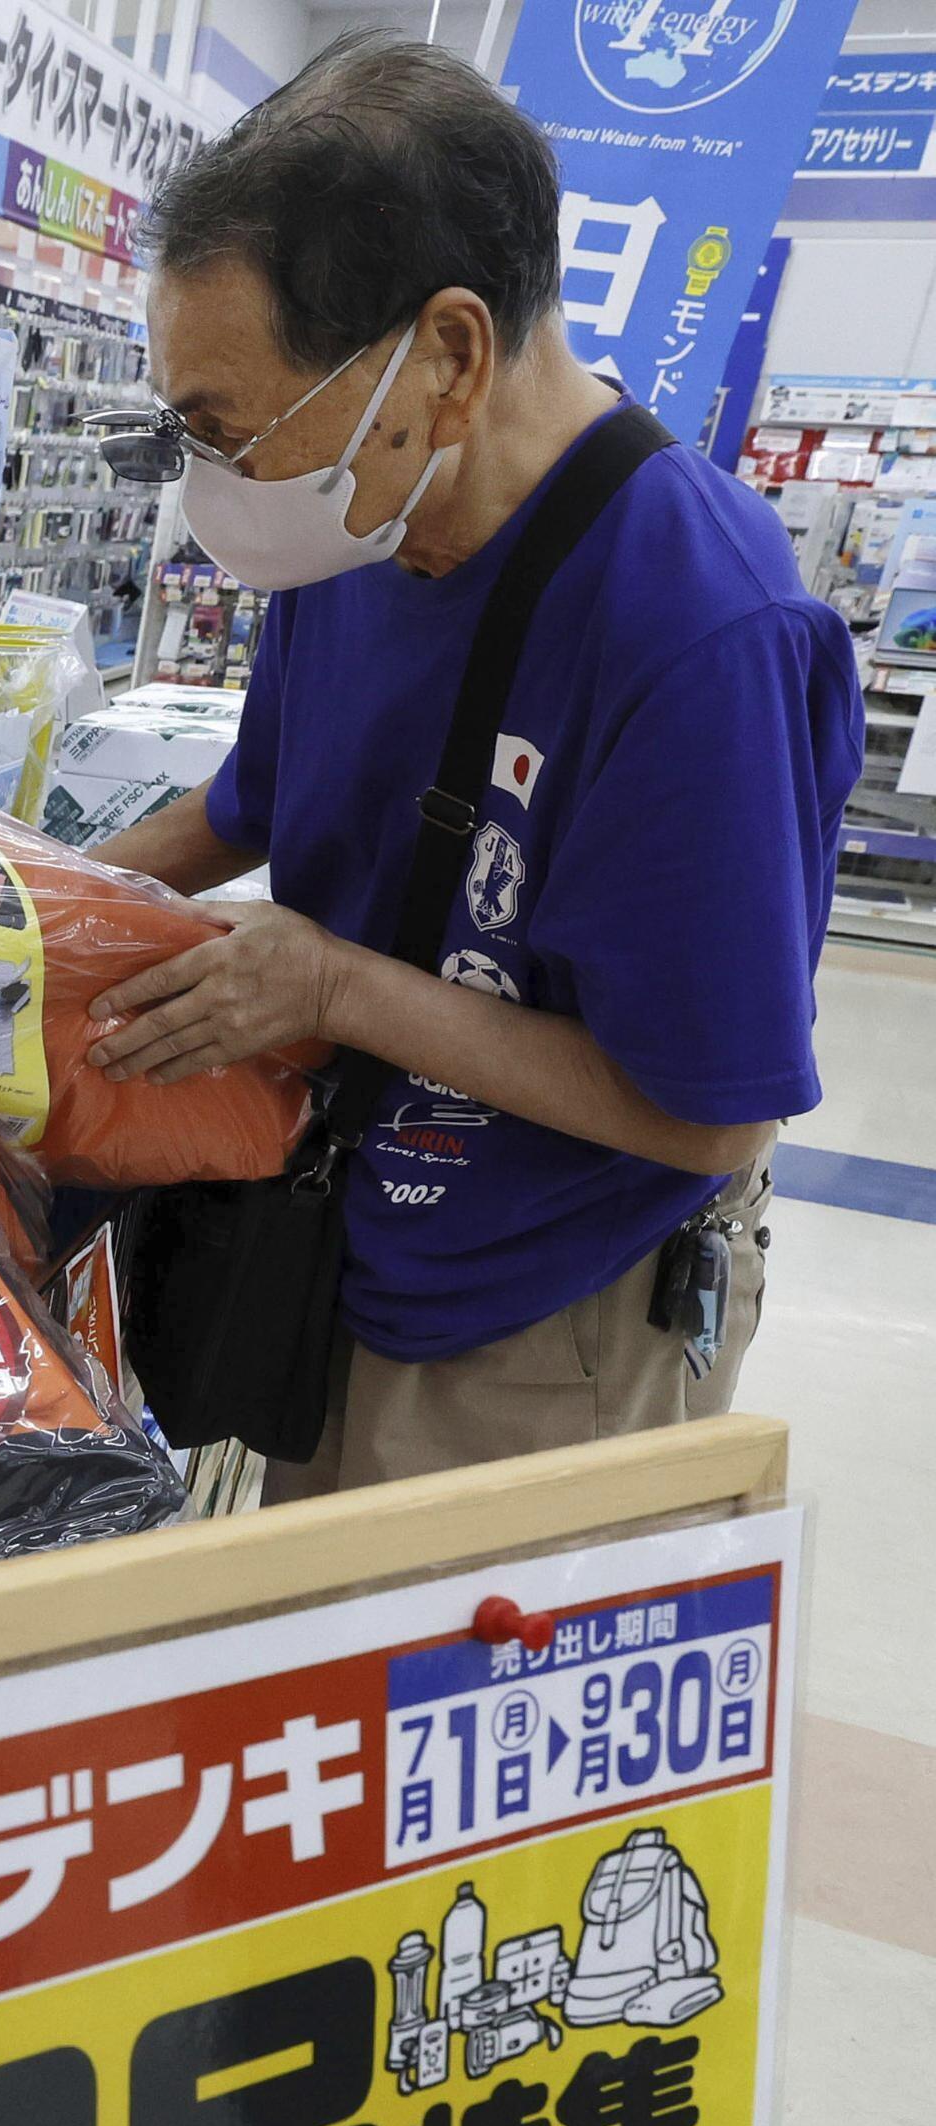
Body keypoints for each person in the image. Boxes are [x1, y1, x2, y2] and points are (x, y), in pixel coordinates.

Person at [84, 35, 858, 1499]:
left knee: (449, 1704)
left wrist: (328, 985)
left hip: (545, 1318)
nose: (223, 485)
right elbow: (251, 805)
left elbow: (709, 1107)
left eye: (233, 431)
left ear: (446, 355)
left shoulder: (698, 625)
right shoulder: (352, 513)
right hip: (333, 1246)